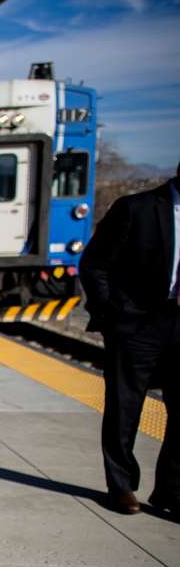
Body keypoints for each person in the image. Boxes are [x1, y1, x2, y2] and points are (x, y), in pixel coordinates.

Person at [78, 161, 180, 518]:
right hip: (138, 325)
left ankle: (171, 490)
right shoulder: (137, 208)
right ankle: (121, 486)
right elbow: (94, 264)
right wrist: (111, 316)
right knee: (125, 408)